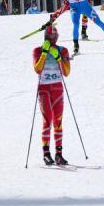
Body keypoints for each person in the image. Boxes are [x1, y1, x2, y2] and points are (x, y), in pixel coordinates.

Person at [32, 24, 71, 166]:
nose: (54, 39)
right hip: (44, 89)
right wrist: (44, 53)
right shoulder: (37, 50)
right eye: (51, 37)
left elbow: (66, 73)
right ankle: (46, 154)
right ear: (46, 37)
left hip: (57, 88)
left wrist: (60, 58)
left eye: (56, 37)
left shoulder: (63, 50)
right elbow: (37, 69)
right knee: (47, 120)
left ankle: (59, 154)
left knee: (58, 121)